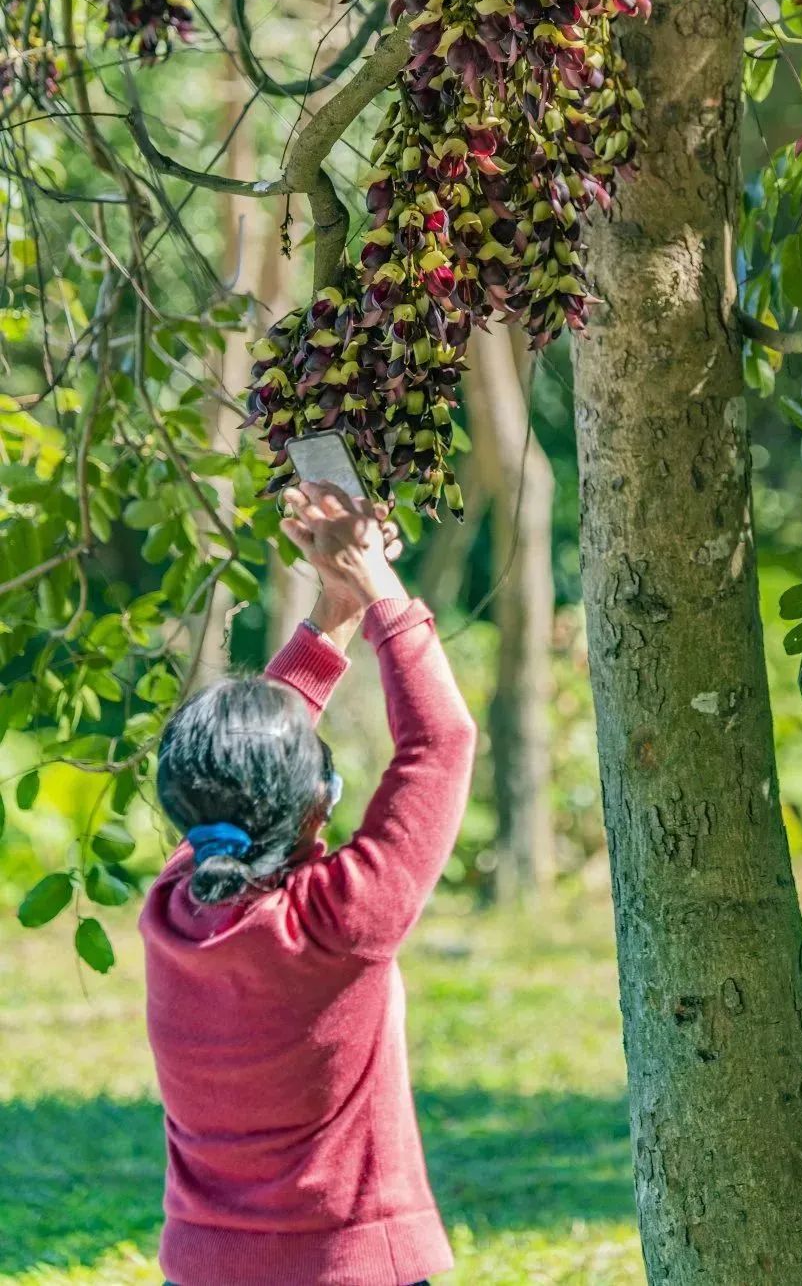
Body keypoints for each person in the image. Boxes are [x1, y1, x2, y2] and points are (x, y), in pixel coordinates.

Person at [140, 480, 477, 1286]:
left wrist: (339, 603)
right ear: (312, 807)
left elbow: (249, 762)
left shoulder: (175, 907)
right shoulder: (339, 920)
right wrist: (375, 580)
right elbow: (441, 741)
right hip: (349, 1269)